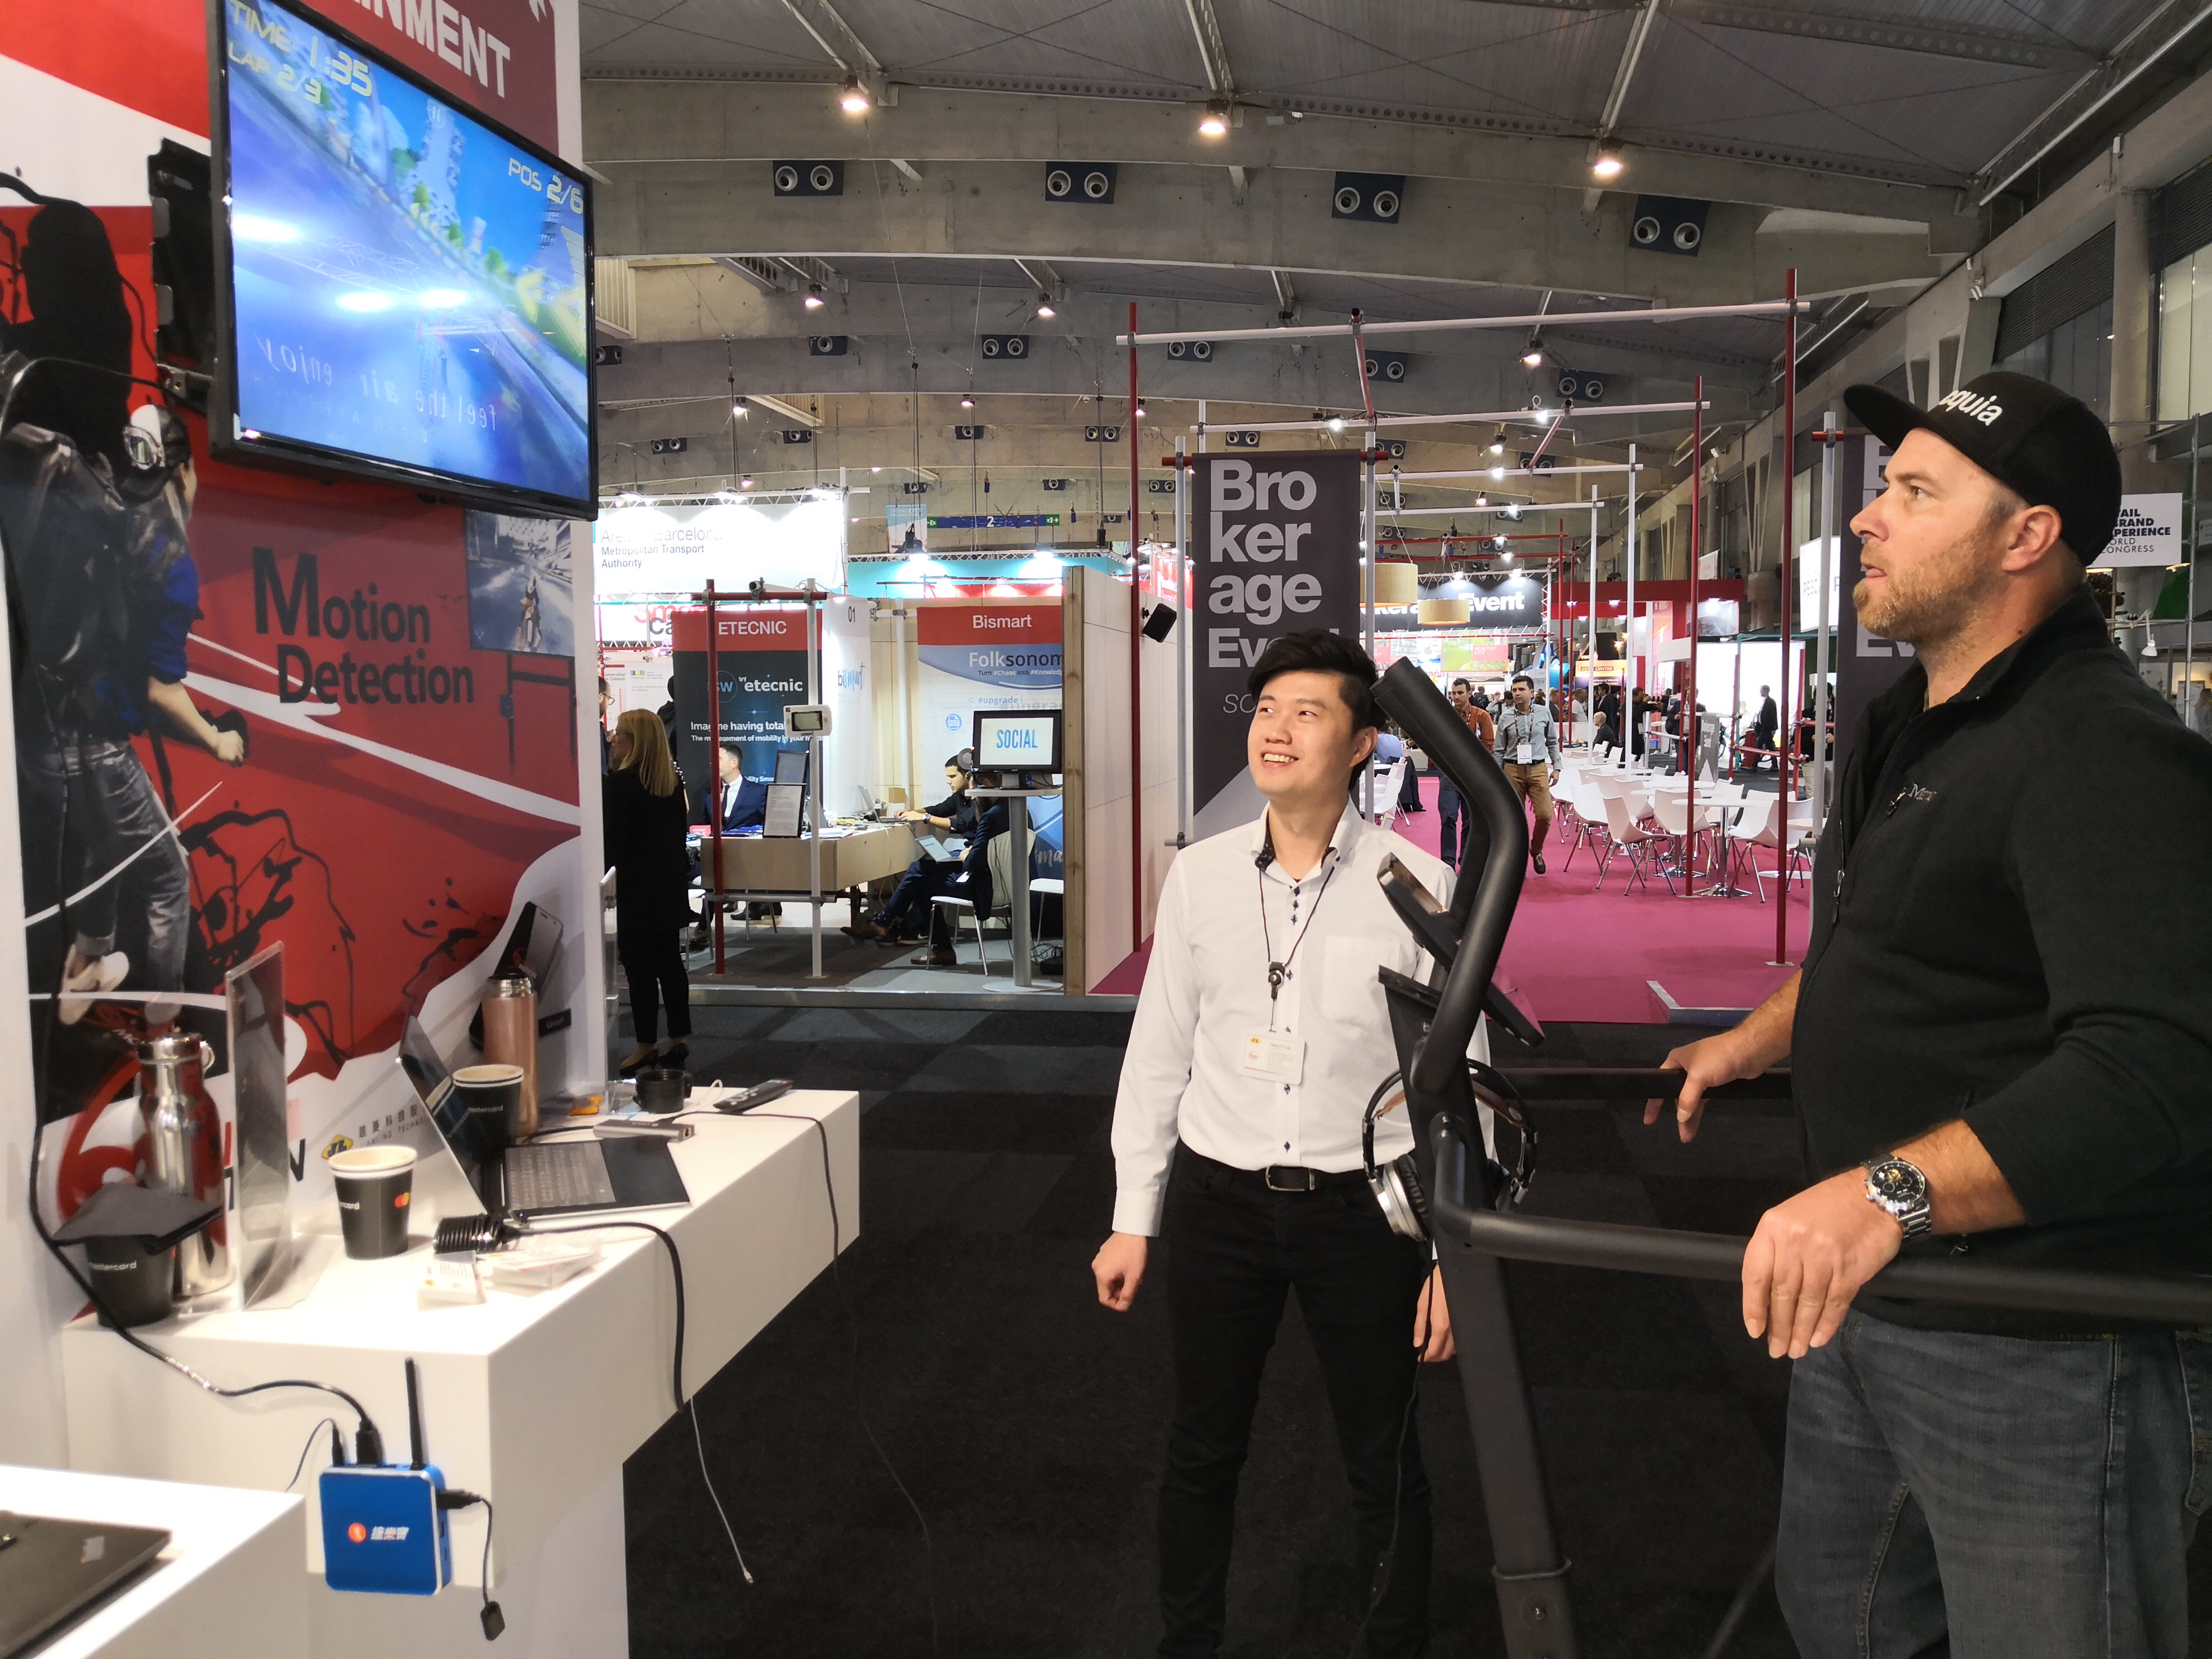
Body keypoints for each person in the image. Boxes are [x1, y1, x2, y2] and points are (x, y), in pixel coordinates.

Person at [1653, 372, 2212, 1659]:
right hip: (1877, 1304)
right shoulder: (1916, 723)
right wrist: (1762, 1033)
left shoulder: (2098, 751)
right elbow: (1896, 945)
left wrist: (1881, 1195)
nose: (1864, 517)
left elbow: (2157, 1067)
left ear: (2025, 537)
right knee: (1845, 1624)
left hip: (2043, 1341)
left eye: (1913, 492)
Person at [1093, 629, 1467, 1659]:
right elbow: (1158, 1052)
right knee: (1201, 1447)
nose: (1276, 729)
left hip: (1366, 1211)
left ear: (1362, 742)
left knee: (1384, 1459)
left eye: (1307, 712)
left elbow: (1461, 1085)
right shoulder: (1198, 876)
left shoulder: (1417, 881)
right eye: (1266, 709)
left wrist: (1454, 1255)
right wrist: (1133, 1216)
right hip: (1219, 1202)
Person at [603, 710, 693, 1074]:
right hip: (668, 889)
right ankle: (678, 1039)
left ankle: (645, 1045)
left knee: (640, 970)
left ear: (635, 742)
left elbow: (613, 845)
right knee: (671, 964)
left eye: (619, 735)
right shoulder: (671, 784)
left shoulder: (620, 785)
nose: (614, 741)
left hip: (635, 892)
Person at [845, 752, 979, 945]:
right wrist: (913, 812)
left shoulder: (980, 800)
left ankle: (885, 923)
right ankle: (897, 927)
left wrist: (924, 818)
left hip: (973, 860)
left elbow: (962, 824)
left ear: (968, 775)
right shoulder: (960, 797)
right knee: (920, 876)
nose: (948, 781)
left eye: (952, 776)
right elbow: (940, 809)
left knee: (918, 871)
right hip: (964, 856)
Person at [1493, 673, 1558, 874]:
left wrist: (1557, 767)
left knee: (1545, 815)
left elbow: (1552, 742)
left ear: (1532, 692)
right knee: (1514, 818)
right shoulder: (1505, 717)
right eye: (1514, 690)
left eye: (1521, 689)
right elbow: (1499, 750)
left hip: (1538, 768)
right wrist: (1498, 776)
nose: (1517, 693)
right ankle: (1516, 857)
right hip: (1512, 769)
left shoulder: (1544, 713)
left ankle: (1536, 850)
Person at [1435, 677, 1496, 870]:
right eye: (1454, 693)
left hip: (1473, 776)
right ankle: (1448, 863)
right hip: (1449, 774)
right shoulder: (1444, 716)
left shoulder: (1482, 716)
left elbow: (1489, 746)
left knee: (1470, 821)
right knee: (1448, 817)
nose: (1456, 697)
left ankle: (1466, 860)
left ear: (1470, 694)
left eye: (1460, 693)